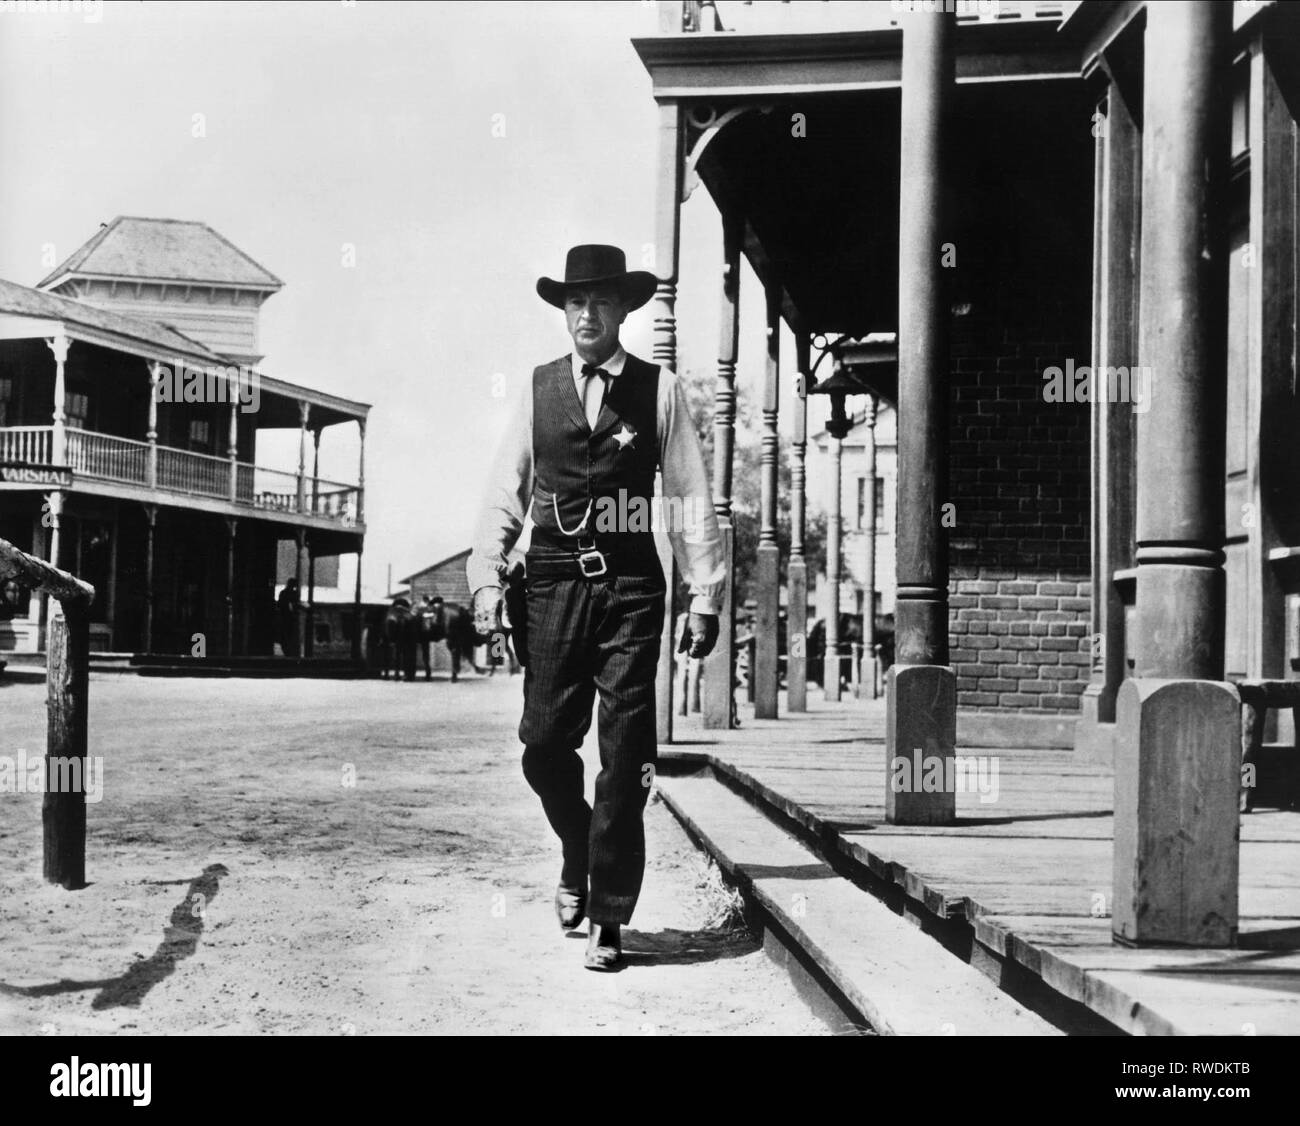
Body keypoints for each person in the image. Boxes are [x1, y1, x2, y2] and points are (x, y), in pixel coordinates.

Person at [468, 244, 725, 971]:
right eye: (576, 302)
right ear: (564, 311)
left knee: (625, 755)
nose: (588, 314)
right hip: (550, 582)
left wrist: (703, 594)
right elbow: (504, 487)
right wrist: (488, 576)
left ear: (623, 311)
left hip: (632, 588)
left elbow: (688, 495)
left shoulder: (659, 389)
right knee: (544, 742)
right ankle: (577, 844)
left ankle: (610, 915)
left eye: (602, 301)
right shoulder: (539, 388)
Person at [277, 577, 301, 657]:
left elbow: (280, 605)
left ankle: (287, 650)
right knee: (288, 634)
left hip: (285, 616)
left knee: (285, 635)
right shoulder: (294, 593)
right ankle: (289, 651)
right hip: (289, 617)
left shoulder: (283, 593)